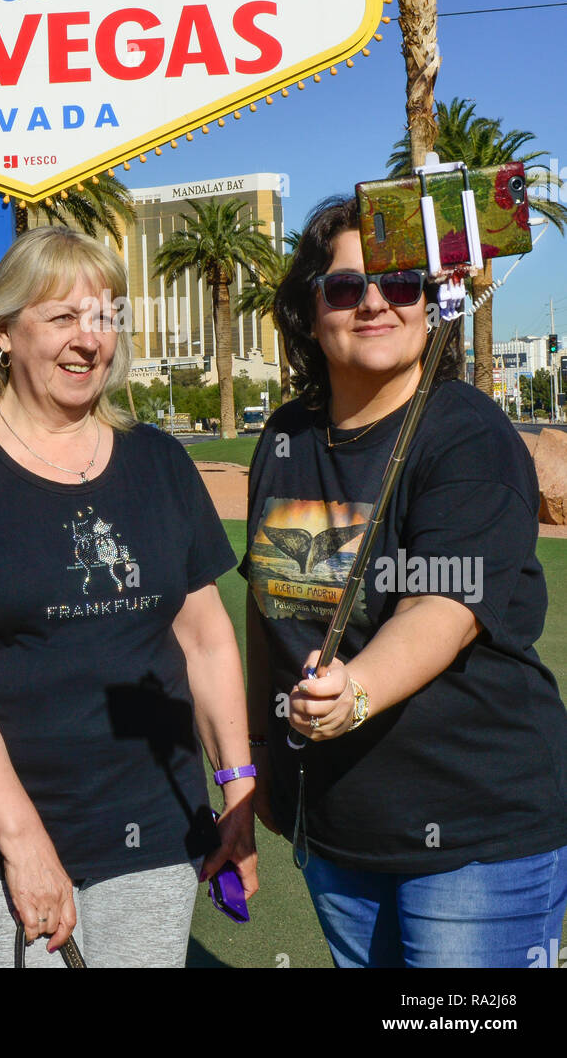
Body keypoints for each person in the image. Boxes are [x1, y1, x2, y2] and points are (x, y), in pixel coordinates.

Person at [0, 226, 257, 968]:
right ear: (2, 338)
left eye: (104, 316)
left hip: (154, 823)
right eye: (62, 318)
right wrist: (24, 844)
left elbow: (206, 639)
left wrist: (236, 788)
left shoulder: (157, 460)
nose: (89, 340)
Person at [245, 195, 567, 969]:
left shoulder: (468, 435)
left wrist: (351, 692)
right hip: (337, 827)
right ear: (309, 309)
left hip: (474, 834)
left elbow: (444, 607)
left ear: (433, 302)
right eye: (346, 287)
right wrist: (259, 760)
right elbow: (270, 614)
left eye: (403, 284)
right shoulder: (285, 438)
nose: (376, 304)